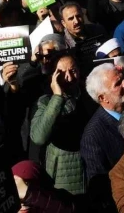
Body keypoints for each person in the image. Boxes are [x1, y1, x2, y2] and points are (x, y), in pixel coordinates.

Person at [31, 54, 91, 198]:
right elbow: (38, 137)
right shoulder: (46, 101)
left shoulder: (89, 92)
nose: (69, 77)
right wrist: (57, 97)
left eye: (73, 70)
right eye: (62, 73)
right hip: (66, 174)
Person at [81, 64, 124, 207]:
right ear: (103, 98)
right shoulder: (93, 137)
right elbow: (101, 191)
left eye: (123, 79)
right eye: (118, 83)